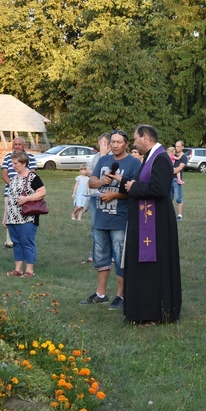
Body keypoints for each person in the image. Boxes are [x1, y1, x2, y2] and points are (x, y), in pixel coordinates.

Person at [121, 125, 182, 324]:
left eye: (135, 138)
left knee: (153, 267)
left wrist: (134, 187)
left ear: (145, 138)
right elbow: (145, 181)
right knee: (144, 267)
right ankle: (142, 309)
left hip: (156, 224)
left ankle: (153, 312)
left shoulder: (161, 158)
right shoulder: (151, 156)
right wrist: (126, 182)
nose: (134, 143)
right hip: (148, 219)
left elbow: (159, 188)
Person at [82, 129, 141, 310]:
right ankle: (101, 294)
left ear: (126, 144)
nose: (115, 145)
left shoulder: (133, 163)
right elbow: (91, 182)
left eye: (118, 142)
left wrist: (116, 195)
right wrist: (102, 182)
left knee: (120, 258)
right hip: (101, 217)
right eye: (112, 142)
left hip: (120, 219)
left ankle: (120, 296)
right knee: (100, 256)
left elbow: (136, 191)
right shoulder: (103, 160)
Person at [4, 151, 46, 278]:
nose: (13, 166)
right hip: (12, 218)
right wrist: (5, 217)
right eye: (12, 163)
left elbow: (42, 192)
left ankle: (29, 270)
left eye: (15, 163)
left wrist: (27, 199)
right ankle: (18, 269)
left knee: (27, 242)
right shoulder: (14, 178)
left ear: (23, 163)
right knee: (16, 243)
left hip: (27, 217)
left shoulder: (32, 177)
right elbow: (10, 198)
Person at [1, 137, 37, 248]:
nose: (17, 146)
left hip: (25, 193)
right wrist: (13, 186)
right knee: (10, 214)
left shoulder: (30, 157)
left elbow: (32, 173)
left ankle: (24, 239)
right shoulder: (8, 157)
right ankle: (10, 241)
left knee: (24, 215)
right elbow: (4, 174)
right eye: (15, 144)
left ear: (24, 145)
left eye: (19, 144)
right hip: (10, 191)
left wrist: (22, 188)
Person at [84, 133, 111, 263]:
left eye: (102, 143)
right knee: (95, 226)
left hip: (108, 197)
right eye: (99, 143)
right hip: (95, 196)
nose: (100, 146)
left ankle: (109, 254)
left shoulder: (113, 157)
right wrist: (95, 173)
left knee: (108, 226)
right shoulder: (96, 157)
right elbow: (87, 171)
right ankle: (96, 253)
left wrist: (96, 172)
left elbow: (107, 173)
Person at [171, 140, 188, 221]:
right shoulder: (172, 154)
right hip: (169, 179)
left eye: (178, 146)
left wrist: (171, 171)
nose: (176, 148)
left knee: (178, 198)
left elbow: (180, 168)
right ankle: (170, 214)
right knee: (169, 198)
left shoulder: (184, 157)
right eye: (176, 146)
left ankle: (180, 215)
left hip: (176, 180)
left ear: (182, 147)